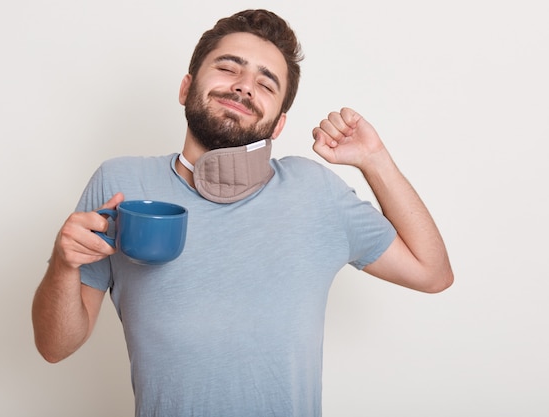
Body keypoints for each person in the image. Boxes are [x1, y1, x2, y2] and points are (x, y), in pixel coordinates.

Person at [32, 9, 453, 417]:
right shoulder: (121, 184)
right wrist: (64, 264)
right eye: (229, 68)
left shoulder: (315, 191)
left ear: (278, 125)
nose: (244, 86)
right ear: (186, 88)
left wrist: (375, 159)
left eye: (266, 84)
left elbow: (432, 273)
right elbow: (55, 346)